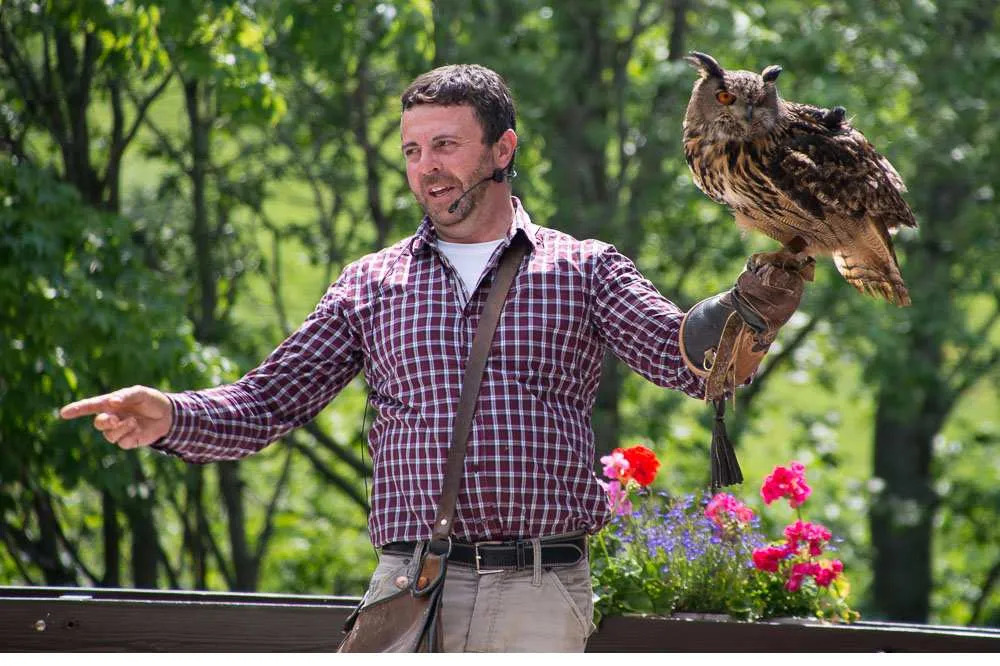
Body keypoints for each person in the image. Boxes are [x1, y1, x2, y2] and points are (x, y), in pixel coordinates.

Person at [60, 64, 807, 652]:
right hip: (405, 592)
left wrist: (748, 316)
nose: (427, 167)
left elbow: (688, 362)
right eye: (414, 151)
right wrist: (169, 414)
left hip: (538, 595)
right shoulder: (371, 283)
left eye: (446, 145)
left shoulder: (583, 269)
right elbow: (266, 404)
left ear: (502, 149)